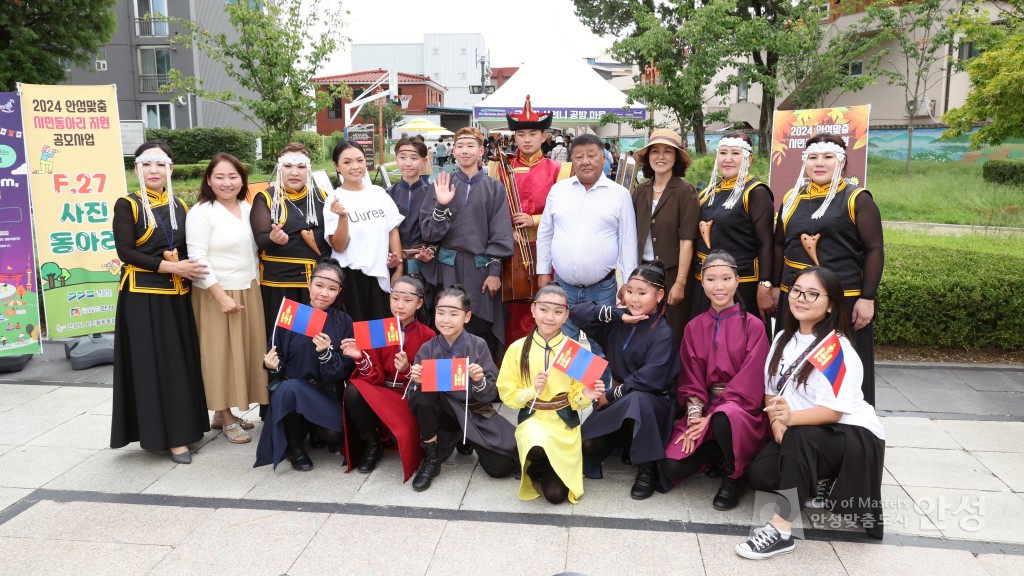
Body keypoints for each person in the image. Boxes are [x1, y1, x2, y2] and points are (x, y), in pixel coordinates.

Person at [737, 267, 885, 559]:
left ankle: (780, 531)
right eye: (796, 291)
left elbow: (833, 412)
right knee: (761, 474)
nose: (801, 298)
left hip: (852, 434)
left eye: (813, 294)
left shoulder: (835, 348)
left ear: (830, 305)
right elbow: (771, 390)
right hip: (805, 430)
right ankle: (819, 482)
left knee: (800, 438)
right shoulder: (783, 339)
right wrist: (777, 423)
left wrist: (790, 422)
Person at [110, 140, 209, 464]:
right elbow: (126, 252)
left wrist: (187, 263)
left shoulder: (180, 205)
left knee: (179, 366)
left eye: (161, 163)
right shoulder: (129, 204)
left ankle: (184, 430)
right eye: (147, 163)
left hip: (177, 298)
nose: (154, 169)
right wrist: (170, 266)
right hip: (142, 299)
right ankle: (169, 439)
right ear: (137, 169)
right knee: (153, 368)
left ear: (171, 169)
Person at [771, 133, 883, 405]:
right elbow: (778, 245)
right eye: (812, 157)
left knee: (840, 371)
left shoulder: (857, 199)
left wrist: (867, 298)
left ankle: (846, 432)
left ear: (841, 162)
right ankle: (787, 423)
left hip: (841, 300)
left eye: (827, 157)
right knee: (792, 363)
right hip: (794, 297)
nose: (819, 163)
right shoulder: (792, 197)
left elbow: (874, 250)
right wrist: (773, 286)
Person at [661, 251, 770, 510]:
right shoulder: (693, 326)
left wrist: (712, 417)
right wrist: (696, 416)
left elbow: (751, 384)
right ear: (702, 281)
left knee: (724, 417)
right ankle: (714, 452)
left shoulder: (754, 326)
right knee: (671, 465)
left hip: (740, 410)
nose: (718, 286)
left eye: (725, 279)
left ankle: (735, 476)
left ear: (737, 281)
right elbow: (690, 377)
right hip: (705, 405)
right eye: (711, 279)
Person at [570, 262, 681, 500]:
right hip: (619, 401)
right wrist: (617, 314)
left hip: (652, 404)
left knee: (639, 400)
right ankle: (626, 439)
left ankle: (648, 467)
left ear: (660, 295)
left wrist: (609, 395)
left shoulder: (663, 333)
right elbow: (577, 312)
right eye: (629, 291)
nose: (635, 299)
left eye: (642, 293)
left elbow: (649, 379)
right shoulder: (617, 323)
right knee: (587, 445)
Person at [497, 284, 606, 504]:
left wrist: (587, 393)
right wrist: (531, 390)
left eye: (558, 312)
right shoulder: (518, 349)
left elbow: (577, 399)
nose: (550, 317)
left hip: (562, 424)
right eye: (544, 310)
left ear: (566, 315)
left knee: (556, 496)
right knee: (536, 441)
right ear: (533, 309)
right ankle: (536, 458)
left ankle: (542, 465)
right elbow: (506, 394)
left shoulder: (574, 350)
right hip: (534, 420)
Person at [537, 133, 637, 370]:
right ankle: (569, 403)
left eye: (591, 156)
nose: (585, 161)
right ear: (572, 161)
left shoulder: (619, 194)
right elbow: (545, 233)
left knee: (600, 347)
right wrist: (542, 272)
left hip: (602, 288)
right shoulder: (558, 191)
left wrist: (629, 282)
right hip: (563, 286)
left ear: (604, 159)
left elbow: (628, 241)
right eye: (579, 156)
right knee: (563, 347)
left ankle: (600, 403)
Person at [186, 153, 268, 444]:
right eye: (219, 177)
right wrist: (219, 296)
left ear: (242, 179)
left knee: (242, 354)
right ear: (208, 180)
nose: (226, 182)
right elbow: (197, 258)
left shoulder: (249, 208)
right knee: (218, 355)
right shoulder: (201, 212)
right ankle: (224, 413)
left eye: (233, 176)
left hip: (248, 288)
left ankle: (225, 414)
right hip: (215, 292)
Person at [406, 285, 518, 491]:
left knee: (500, 468)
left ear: (467, 317)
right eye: (440, 313)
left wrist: (478, 380)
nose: (446, 320)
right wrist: (417, 381)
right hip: (444, 417)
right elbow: (414, 398)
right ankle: (431, 458)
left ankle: (466, 439)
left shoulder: (478, 345)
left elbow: (492, 392)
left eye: (453, 314)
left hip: (472, 412)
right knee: (423, 393)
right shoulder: (428, 348)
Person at [419, 126, 514, 360]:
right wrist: (442, 204)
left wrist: (494, 272)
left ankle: (480, 381)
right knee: (447, 319)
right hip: (448, 266)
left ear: (481, 151)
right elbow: (429, 233)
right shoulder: (442, 183)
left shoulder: (494, 187)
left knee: (480, 323)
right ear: (453, 151)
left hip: (481, 268)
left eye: (470, 146)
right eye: (459, 146)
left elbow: (500, 231)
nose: (464, 151)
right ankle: (447, 382)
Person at [255, 259, 354, 471]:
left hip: (324, 392)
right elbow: (277, 359)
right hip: (292, 391)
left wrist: (326, 354)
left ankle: (313, 428)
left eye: (332, 289)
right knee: (289, 388)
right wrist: (271, 366)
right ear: (309, 285)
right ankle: (294, 445)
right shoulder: (290, 315)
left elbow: (342, 372)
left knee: (334, 435)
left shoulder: (343, 321)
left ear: (339, 292)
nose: (324, 293)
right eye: (319, 286)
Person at [489, 96, 573, 346]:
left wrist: (534, 220)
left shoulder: (560, 169)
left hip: (547, 249)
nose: (527, 139)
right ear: (514, 137)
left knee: (549, 306)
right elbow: (493, 210)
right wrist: (507, 230)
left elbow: (564, 211)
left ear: (543, 136)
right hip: (511, 250)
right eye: (521, 134)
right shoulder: (500, 168)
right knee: (514, 312)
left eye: (533, 134)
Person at [339, 275, 435, 480]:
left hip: (407, 397)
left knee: (399, 437)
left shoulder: (428, 335)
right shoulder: (377, 329)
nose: (400, 305)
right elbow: (373, 377)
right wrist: (359, 356)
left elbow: (429, 381)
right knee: (353, 389)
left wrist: (408, 369)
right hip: (381, 390)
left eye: (407, 300)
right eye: (395, 298)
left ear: (419, 303)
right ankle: (373, 445)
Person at [693, 133, 775, 340]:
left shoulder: (756, 192)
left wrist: (765, 285)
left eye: (735, 153)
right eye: (723, 153)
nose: (727, 159)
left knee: (738, 343)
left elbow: (766, 243)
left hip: (741, 284)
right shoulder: (707, 193)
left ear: (749, 158)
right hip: (705, 284)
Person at [632, 128, 699, 348]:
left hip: (672, 273)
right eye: (655, 151)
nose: (660, 157)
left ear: (676, 157)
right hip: (644, 272)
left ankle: (672, 382)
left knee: (672, 332)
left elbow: (687, 240)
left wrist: (680, 282)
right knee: (644, 329)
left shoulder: (684, 191)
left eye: (667, 152)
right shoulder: (641, 191)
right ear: (648, 157)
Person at [324, 140, 404, 322]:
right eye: (347, 162)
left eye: (360, 160)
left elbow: (393, 231)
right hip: (350, 278)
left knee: (381, 333)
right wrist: (343, 217)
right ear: (336, 166)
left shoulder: (378, 193)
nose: (355, 167)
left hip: (380, 276)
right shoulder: (334, 199)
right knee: (354, 334)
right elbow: (339, 246)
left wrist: (398, 269)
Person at [387, 137, 436, 277]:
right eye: (402, 157)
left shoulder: (433, 193)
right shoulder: (387, 195)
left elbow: (440, 232)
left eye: (414, 158)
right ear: (396, 158)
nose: (407, 163)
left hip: (424, 265)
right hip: (393, 263)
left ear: (424, 160)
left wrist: (431, 250)